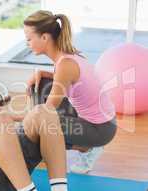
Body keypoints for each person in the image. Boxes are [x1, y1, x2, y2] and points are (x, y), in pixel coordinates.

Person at [24, 10, 117, 174]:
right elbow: (69, 80)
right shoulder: (65, 58)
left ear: (44, 37)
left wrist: (15, 121)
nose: (27, 43)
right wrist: (42, 73)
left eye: (29, 39)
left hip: (101, 129)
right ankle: (43, 145)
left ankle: (87, 148)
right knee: (41, 85)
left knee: (41, 124)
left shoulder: (65, 64)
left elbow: (46, 113)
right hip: (92, 120)